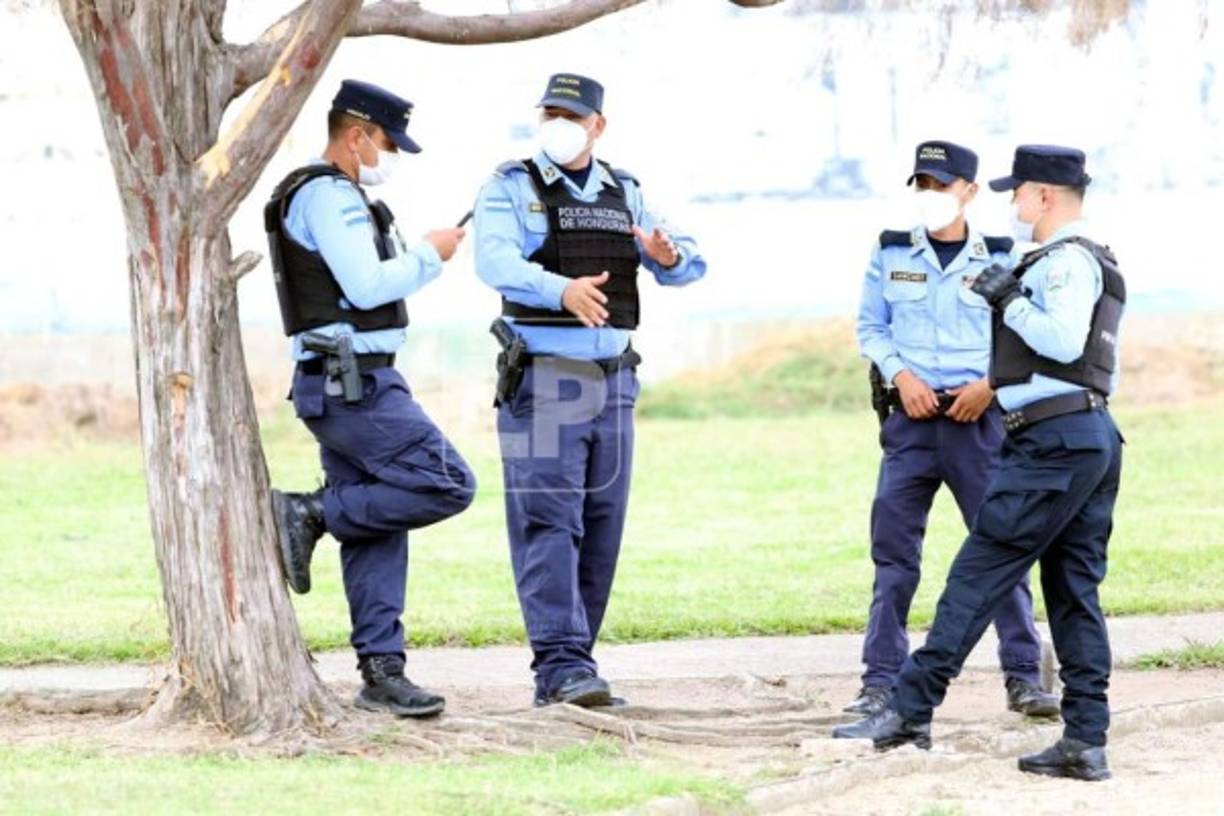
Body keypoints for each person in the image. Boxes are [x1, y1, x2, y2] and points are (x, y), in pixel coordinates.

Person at [834, 145, 1126, 783]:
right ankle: (1084, 737)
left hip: (1053, 442)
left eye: (1019, 192)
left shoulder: (1064, 262)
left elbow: (1061, 341)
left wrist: (1007, 299)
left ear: (1045, 195)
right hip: (1080, 434)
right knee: (1073, 590)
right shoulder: (1083, 255)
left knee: (977, 575)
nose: (1014, 204)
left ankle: (909, 711)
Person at [473, 73, 706, 708]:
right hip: (550, 378)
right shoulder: (511, 186)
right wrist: (560, 290)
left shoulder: (623, 190)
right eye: (549, 111)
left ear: (597, 125)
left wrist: (668, 255)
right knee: (550, 522)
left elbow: (686, 262)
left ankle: (576, 667)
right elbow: (494, 261)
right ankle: (560, 665)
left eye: (571, 114)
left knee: (602, 523)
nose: (558, 121)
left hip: (615, 382)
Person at [267, 80, 476, 718]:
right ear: (356, 135)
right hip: (351, 384)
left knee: (376, 523)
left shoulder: (333, 195)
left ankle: (382, 672)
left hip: (352, 378)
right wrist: (430, 255)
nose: (389, 156)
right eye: (386, 142)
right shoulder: (330, 195)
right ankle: (310, 513)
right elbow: (364, 286)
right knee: (445, 482)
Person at [851, 140, 1057, 720]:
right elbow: (872, 327)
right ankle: (880, 680)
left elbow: (1025, 333)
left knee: (999, 547)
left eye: (942, 185)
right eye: (922, 184)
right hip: (910, 421)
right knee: (893, 556)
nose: (930, 195)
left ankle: (1024, 676)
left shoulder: (1002, 253)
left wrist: (989, 385)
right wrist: (902, 377)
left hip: (978, 422)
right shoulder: (891, 251)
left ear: (968, 190)